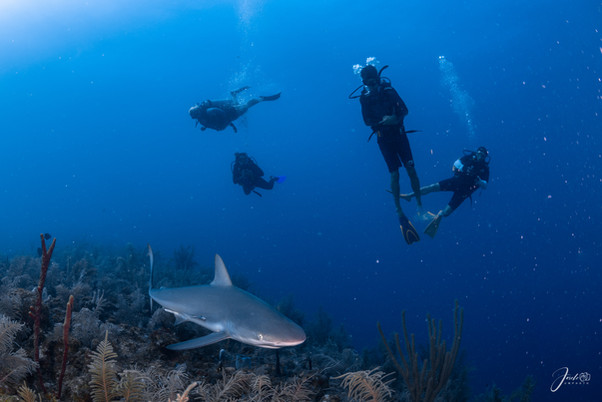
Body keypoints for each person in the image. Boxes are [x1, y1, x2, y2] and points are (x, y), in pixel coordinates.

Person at [358, 64, 423, 245]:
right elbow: (366, 121)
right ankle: (399, 210)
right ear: (364, 82)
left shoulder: (389, 91)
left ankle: (419, 206)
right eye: (367, 83)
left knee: (411, 169)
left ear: (378, 79)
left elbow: (405, 110)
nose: (371, 85)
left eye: (373, 81)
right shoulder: (364, 98)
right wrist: (382, 122)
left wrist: (394, 119)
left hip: (400, 136)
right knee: (394, 174)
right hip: (383, 139)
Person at [399, 146, 490, 238]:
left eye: (482, 155)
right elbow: (456, 163)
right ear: (476, 152)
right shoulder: (468, 158)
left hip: (464, 192)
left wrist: (480, 182)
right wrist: (463, 168)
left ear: (485, 157)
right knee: (432, 187)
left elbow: (485, 185)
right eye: (479, 154)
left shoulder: (485, 169)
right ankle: (409, 195)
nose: (480, 156)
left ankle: (438, 215)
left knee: (446, 213)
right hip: (455, 182)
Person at [189, 86, 281, 133]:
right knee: (237, 104)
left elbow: (219, 126)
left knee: (245, 106)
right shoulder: (204, 109)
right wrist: (231, 124)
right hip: (226, 112)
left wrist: (229, 122)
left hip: (228, 115)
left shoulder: (203, 120)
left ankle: (261, 99)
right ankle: (233, 94)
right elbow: (218, 119)